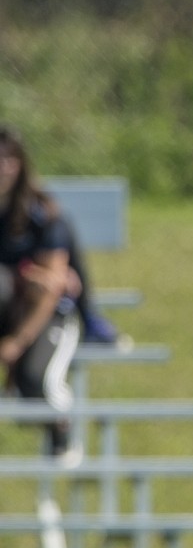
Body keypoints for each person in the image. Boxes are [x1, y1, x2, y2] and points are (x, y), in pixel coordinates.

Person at [0, 125, 80, 460]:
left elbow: (53, 286)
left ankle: (63, 439)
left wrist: (16, 342)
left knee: (37, 382)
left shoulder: (42, 214)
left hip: (43, 315)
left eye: (7, 159)